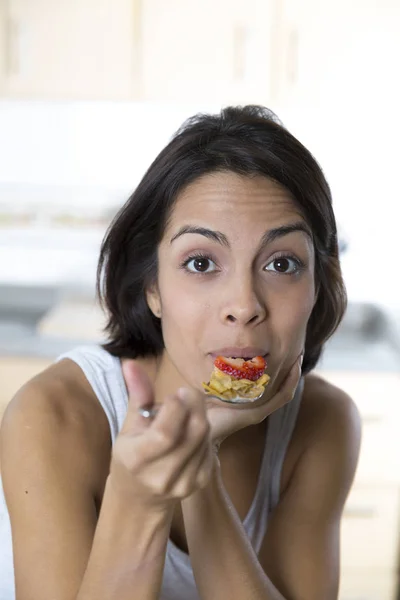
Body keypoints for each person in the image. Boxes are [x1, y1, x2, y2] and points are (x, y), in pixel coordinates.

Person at [0, 105, 361, 600]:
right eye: (200, 262)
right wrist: (137, 499)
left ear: (318, 287)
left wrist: (201, 463)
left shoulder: (324, 422)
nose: (243, 306)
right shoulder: (52, 416)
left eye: (281, 263)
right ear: (152, 286)